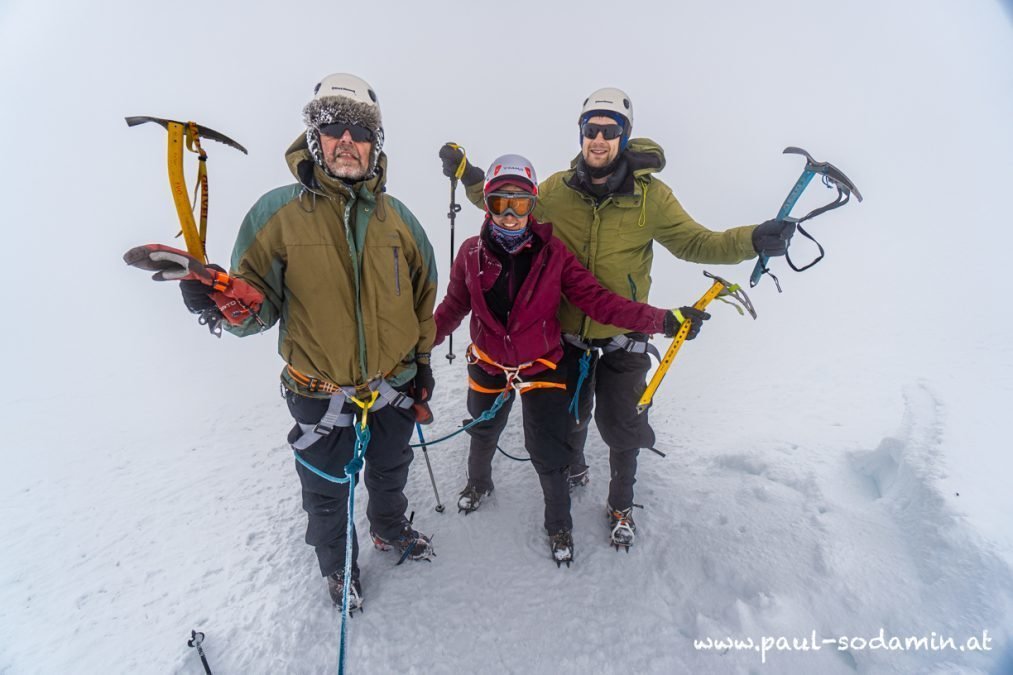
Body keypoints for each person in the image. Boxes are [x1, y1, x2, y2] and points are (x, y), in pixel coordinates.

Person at [439, 87, 794, 551]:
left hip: (622, 332)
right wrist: (472, 177)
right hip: (565, 336)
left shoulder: (652, 198)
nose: (599, 139)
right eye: (592, 130)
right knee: (573, 418)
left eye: (610, 131)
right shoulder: (557, 192)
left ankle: (621, 504)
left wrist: (751, 240)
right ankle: (575, 464)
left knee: (622, 426)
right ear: (582, 135)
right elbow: (508, 206)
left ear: (624, 136)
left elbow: (696, 243)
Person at [180, 73, 439, 611]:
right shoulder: (276, 214)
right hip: (318, 391)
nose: (347, 140)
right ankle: (337, 566)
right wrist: (223, 305)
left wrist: (421, 364)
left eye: (359, 130)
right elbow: (256, 309)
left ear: (376, 144)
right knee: (326, 489)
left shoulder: (401, 222)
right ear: (314, 137)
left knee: (390, 470)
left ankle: (388, 528)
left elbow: (423, 296)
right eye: (332, 127)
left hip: (393, 385)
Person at [432, 154, 706, 565]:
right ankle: (479, 483)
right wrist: (415, 346)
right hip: (488, 362)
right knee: (483, 429)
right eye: (499, 203)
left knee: (548, 451)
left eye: (520, 204)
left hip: (542, 366)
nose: (509, 215)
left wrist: (661, 320)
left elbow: (598, 302)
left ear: (533, 205)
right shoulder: (471, 254)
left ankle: (558, 524)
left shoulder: (553, 254)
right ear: (486, 205)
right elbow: (452, 308)